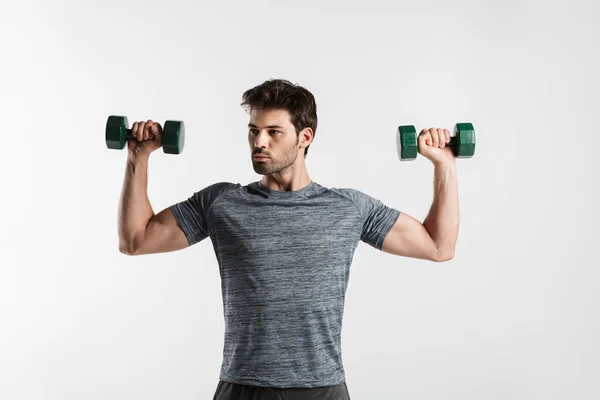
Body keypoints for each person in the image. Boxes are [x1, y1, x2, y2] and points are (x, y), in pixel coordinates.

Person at [117, 79, 459, 400]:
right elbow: (136, 239)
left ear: (304, 137)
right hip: (242, 387)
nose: (259, 142)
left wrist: (443, 163)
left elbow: (438, 246)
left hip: (322, 388)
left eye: (273, 132)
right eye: (253, 131)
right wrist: (138, 156)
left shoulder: (349, 207)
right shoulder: (222, 203)